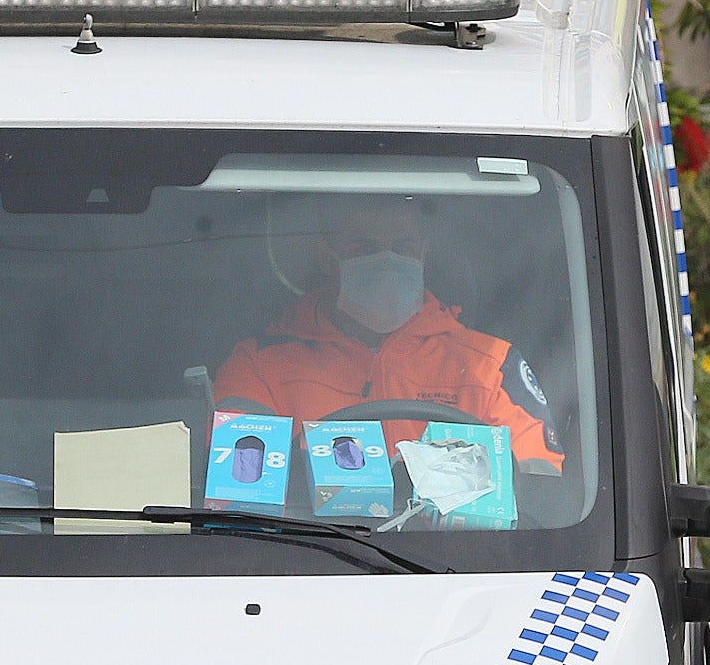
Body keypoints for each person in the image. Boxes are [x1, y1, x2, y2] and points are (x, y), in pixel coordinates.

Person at [213, 198, 565, 475]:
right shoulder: (257, 366)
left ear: (423, 255)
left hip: (462, 560)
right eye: (365, 249)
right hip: (309, 557)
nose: (387, 262)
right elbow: (239, 485)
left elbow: (540, 484)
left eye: (402, 247)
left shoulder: (489, 366)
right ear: (327, 259)